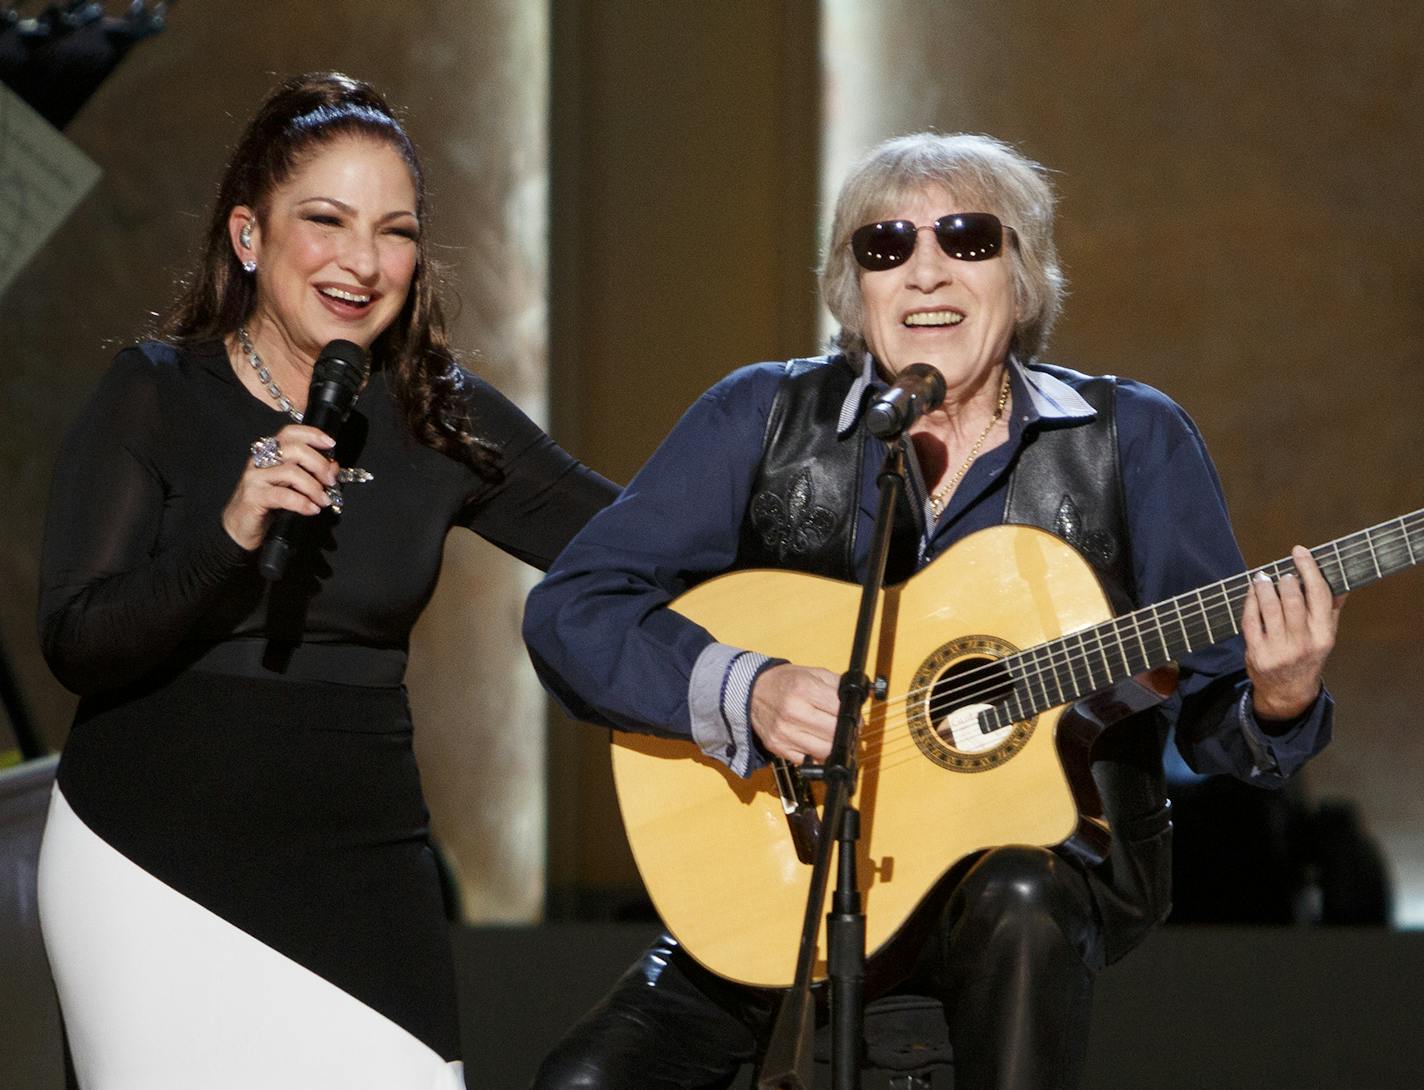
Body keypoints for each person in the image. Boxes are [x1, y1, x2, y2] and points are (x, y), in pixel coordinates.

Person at [522, 132, 1343, 1090]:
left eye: (966, 239)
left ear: (1023, 278)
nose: (924, 272)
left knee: (1024, 888)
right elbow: (573, 610)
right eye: (886, 247)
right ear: (852, 287)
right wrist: (747, 689)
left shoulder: (1132, 440)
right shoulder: (762, 416)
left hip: (1017, 904)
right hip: (776, 893)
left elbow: (1210, 713)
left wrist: (1275, 702)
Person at [36, 72, 616, 1089]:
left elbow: (629, 540)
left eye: (394, 230)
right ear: (249, 237)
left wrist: (805, 458)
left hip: (360, 859)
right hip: (153, 854)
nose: (361, 259)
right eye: (327, 220)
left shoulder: (438, 414)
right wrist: (226, 532)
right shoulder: (158, 392)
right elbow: (79, 637)